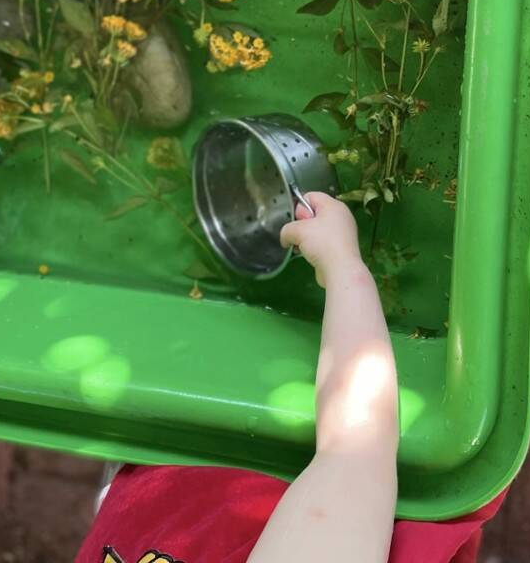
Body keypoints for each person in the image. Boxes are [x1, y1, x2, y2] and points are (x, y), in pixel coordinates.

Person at [74, 193, 503, 563]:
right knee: (496, 308)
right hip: (332, 505)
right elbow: (356, 450)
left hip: (160, 510)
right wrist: (341, 265)